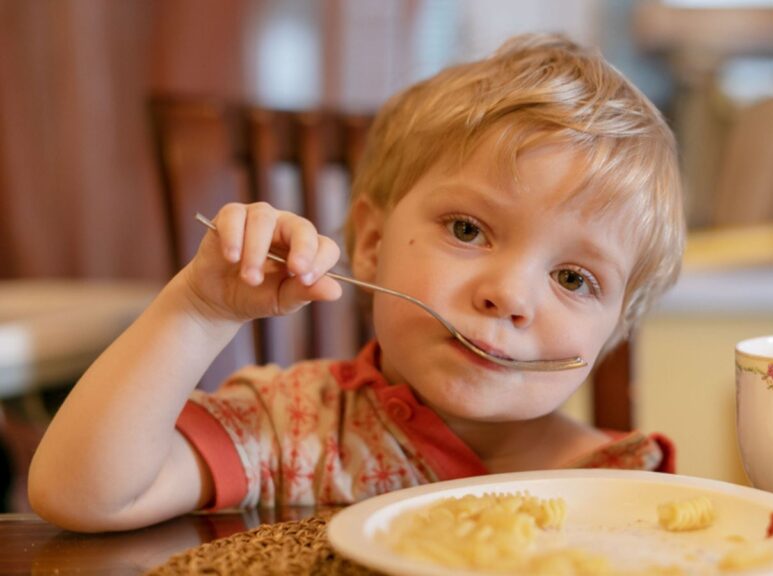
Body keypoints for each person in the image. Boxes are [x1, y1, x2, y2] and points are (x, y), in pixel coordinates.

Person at [28, 33, 685, 532]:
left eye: (573, 277)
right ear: (370, 244)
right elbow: (83, 494)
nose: (509, 295)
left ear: (614, 330)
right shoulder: (292, 431)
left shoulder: (625, 488)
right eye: (467, 230)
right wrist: (198, 312)